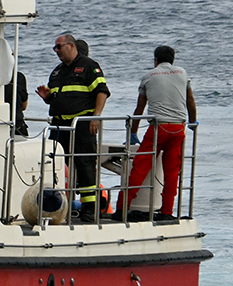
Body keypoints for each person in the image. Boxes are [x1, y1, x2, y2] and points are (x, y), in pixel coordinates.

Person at [36, 32, 108, 221]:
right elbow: (59, 97)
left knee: (84, 165)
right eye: (55, 48)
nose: (56, 51)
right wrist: (48, 98)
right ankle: (58, 204)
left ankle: (89, 207)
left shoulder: (89, 67)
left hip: (81, 125)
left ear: (72, 46)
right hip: (59, 126)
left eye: (59, 47)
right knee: (56, 164)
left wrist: (96, 117)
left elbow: (102, 92)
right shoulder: (58, 71)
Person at [125, 45, 197, 222]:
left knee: (140, 168)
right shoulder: (183, 74)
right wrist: (193, 122)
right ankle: (166, 211)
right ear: (173, 59)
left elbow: (140, 108)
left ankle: (122, 207)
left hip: (158, 129)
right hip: (178, 129)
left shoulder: (149, 76)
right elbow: (190, 101)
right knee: (172, 173)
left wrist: (133, 132)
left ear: (155, 60)